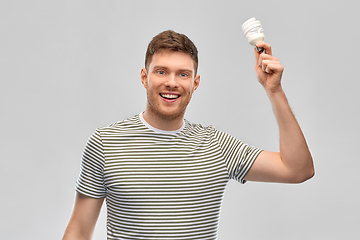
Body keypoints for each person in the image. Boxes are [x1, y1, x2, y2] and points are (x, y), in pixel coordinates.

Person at [62, 30, 314, 240]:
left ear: (195, 83)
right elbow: (80, 230)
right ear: (144, 77)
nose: (172, 82)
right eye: (161, 71)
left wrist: (274, 90)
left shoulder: (216, 145)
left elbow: (297, 170)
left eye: (183, 74)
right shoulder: (106, 143)